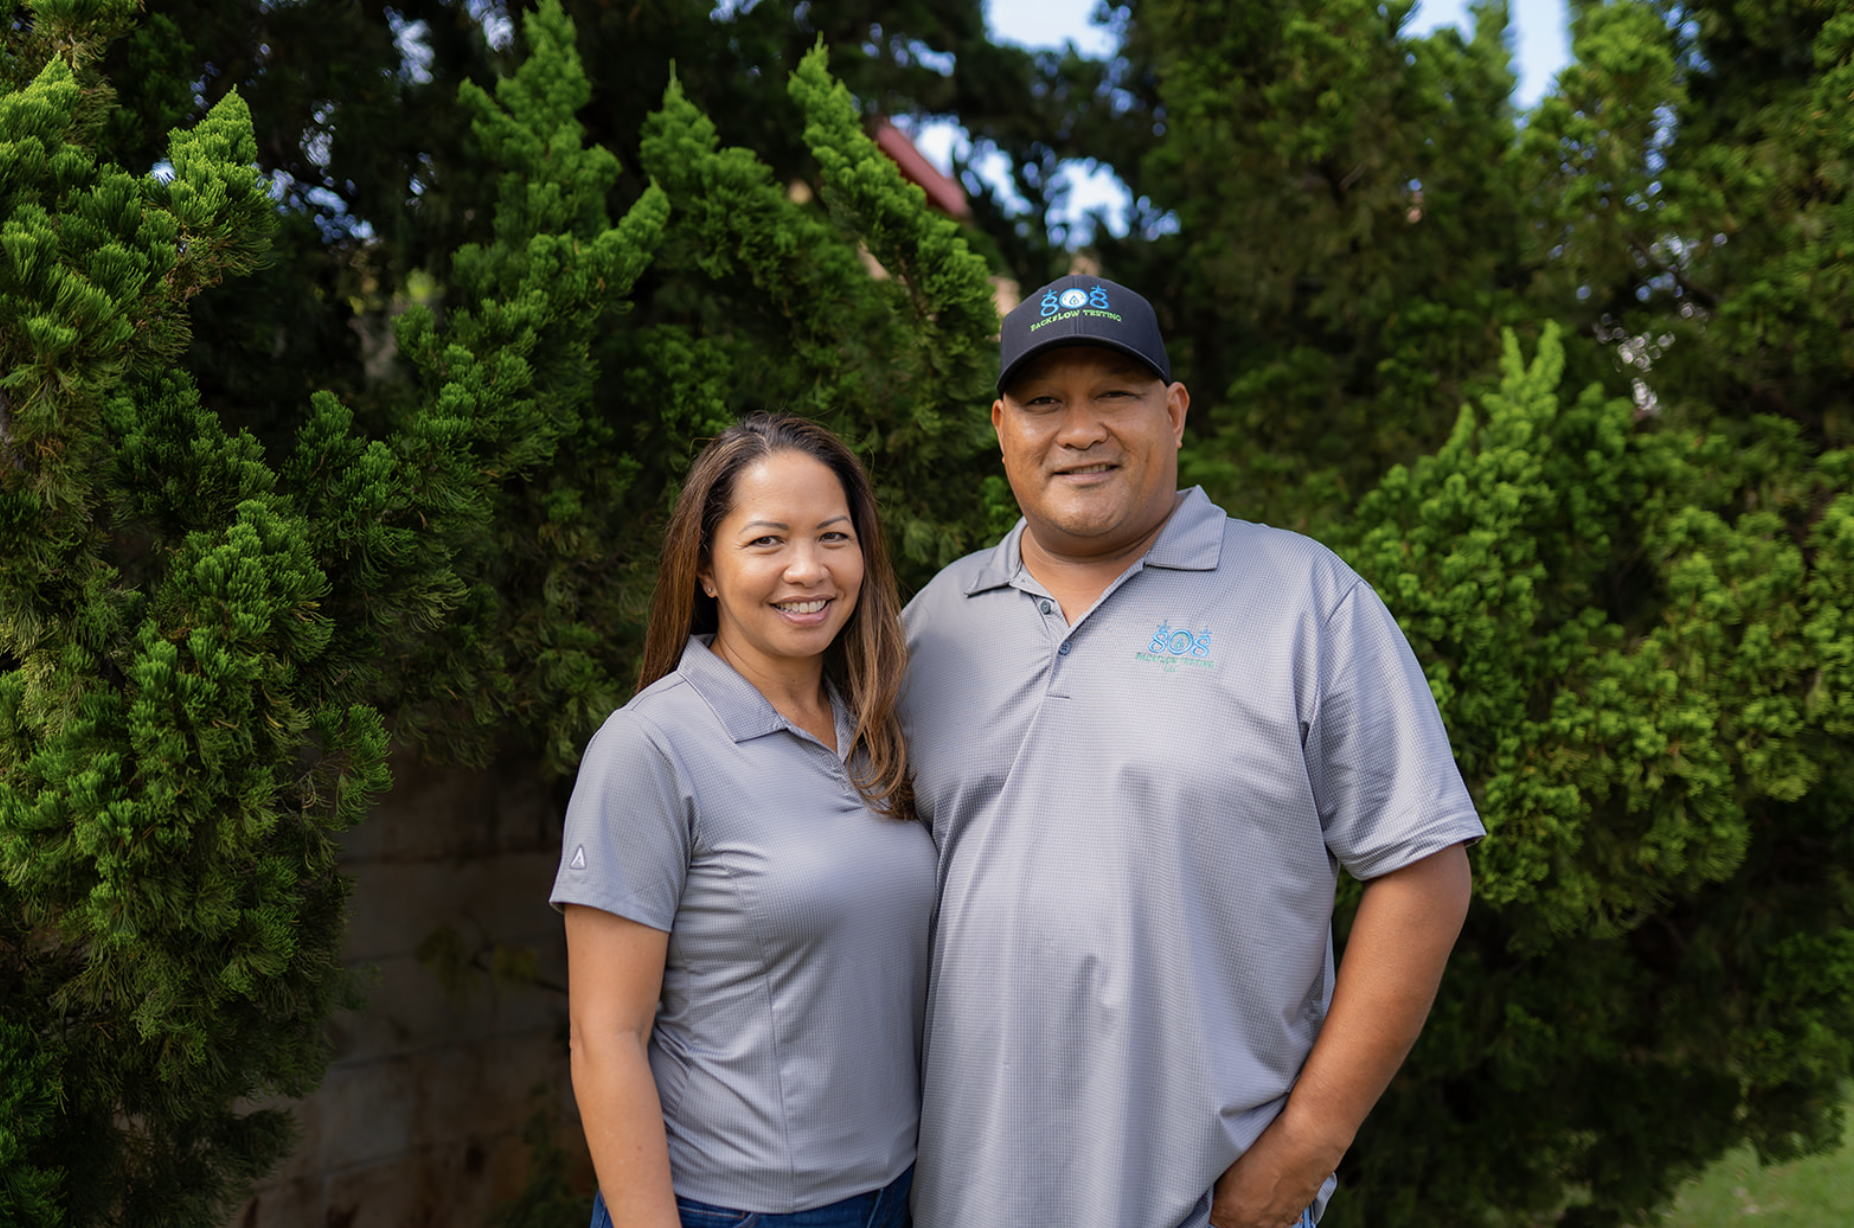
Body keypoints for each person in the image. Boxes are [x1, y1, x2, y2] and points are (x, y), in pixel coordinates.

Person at [900, 276, 1486, 1228]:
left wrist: (1305, 1150)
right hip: (952, 1197)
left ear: (1173, 413)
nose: (1078, 429)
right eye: (1046, 402)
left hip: (1203, 1204)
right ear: (1001, 426)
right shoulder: (932, 626)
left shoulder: (1307, 602)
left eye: (1114, 395)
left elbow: (1426, 872)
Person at [552, 414, 932, 1228]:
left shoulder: (878, 734)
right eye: (767, 541)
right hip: (732, 1211)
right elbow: (604, 1039)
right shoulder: (649, 748)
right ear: (707, 570)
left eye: (833, 535)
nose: (808, 569)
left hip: (897, 1197)